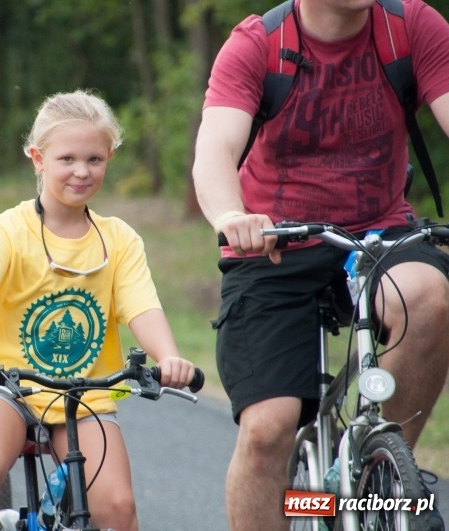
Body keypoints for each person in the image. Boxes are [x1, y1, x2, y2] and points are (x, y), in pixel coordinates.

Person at [192, 1, 449, 530]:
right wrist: (231, 215)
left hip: (379, 234)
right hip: (274, 243)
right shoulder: (258, 44)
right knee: (267, 431)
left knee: (429, 295)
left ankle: (383, 472)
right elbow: (214, 149)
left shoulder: (410, 27)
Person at [0, 89, 196, 531]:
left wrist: (168, 356)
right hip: (6, 386)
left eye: (94, 159)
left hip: (83, 395)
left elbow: (143, 308)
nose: (82, 171)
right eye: (67, 159)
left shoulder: (119, 239)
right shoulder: (7, 231)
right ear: (38, 159)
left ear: (109, 158)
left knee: (118, 509)